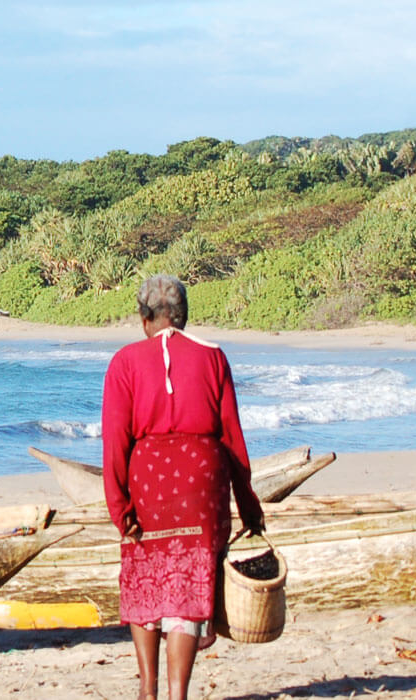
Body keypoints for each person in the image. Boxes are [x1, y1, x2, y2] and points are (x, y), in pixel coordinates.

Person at [101, 274, 266, 700]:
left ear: (143, 319)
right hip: (201, 479)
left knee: (145, 577)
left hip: (149, 479)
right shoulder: (213, 357)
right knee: (187, 586)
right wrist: (248, 504)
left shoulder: (124, 362)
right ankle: (178, 694)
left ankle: (148, 690)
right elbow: (232, 437)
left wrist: (119, 506)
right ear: (184, 317)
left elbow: (115, 440)